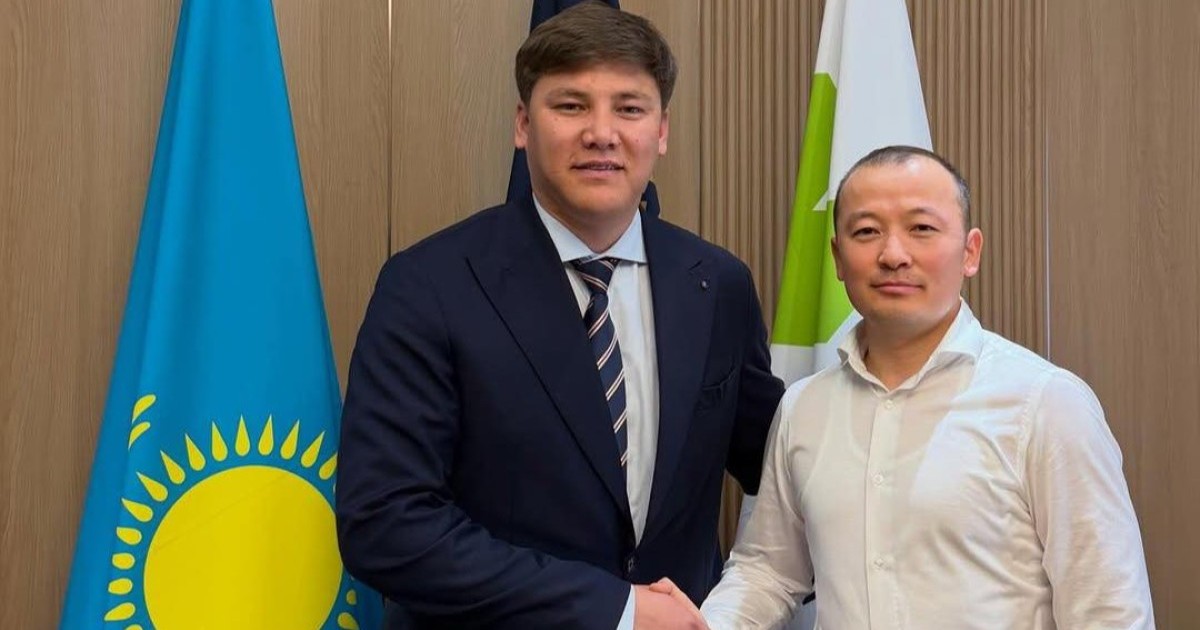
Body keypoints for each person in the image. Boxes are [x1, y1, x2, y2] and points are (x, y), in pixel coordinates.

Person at [335, 3, 784, 628]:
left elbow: (783, 462)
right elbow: (385, 525)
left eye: (629, 108)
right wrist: (616, 609)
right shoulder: (428, 286)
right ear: (523, 124)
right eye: (571, 106)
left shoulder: (717, 284)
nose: (602, 133)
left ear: (661, 131)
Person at [686, 145, 1155, 628]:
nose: (893, 255)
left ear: (970, 252)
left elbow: (1109, 611)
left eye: (922, 229)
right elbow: (769, 572)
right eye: (866, 232)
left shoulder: (1046, 404)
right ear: (838, 257)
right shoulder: (803, 407)